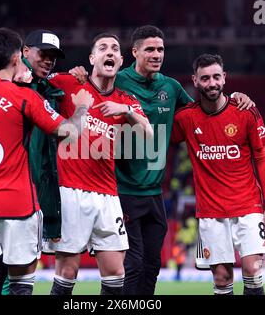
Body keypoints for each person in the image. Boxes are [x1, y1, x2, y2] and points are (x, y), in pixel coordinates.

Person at [70, 25, 255, 295]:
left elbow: (201, 113)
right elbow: (92, 86)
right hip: (122, 189)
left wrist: (234, 98)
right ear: (134, 53)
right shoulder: (117, 81)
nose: (157, 54)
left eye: (161, 49)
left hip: (155, 193)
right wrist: (79, 75)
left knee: (151, 265)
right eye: (150, 49)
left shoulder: (171, 87)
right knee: (131, 265)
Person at [0, 27, 93, 295]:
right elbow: (68, 132)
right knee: (20, 288)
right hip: (19, 206)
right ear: (17, 58)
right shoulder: (26, 97)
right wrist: (82, 107)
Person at [44, 33, 152, 295]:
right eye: (103, 48)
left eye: (115, 49)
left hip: (107, 195)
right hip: (71, 191)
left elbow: (149, 135)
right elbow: (35, 81)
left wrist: (125, 112)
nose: (110, 52)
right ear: (92, 58)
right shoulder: (69, 83)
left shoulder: (125, 100)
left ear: (121, 60)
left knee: (116, 272)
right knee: (67, 272)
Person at [170, 53, 265, 295]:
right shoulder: (186, 118)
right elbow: (158, 136)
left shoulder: (245, 111)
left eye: (216, 77)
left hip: (248, 206)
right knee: (221, 278)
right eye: (205, 78)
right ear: (195, 81)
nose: (212, 83)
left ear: (225, 78)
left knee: (252, 269)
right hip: (210, 212)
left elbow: (262, 157)